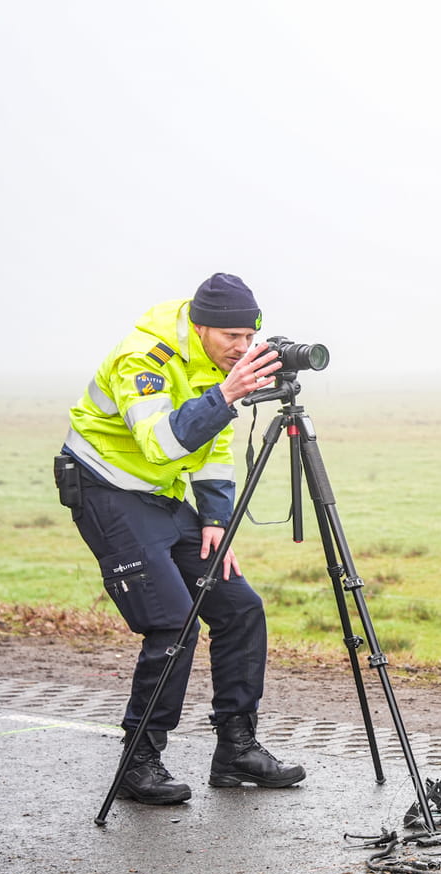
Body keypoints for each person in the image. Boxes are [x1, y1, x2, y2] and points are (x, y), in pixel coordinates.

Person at [57, 273, 305, 805]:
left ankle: (236, 750)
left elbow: (213, 445)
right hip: (107, 491)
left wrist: (215, 516)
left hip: (163, 499)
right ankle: (138, 761)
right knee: (173, 621)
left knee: (240, 606)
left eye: (249, 336)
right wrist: (226, 393)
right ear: (199, 327)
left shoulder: (214, 365)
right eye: (231, 339)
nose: (242, 349)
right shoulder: (144, 358)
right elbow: (160, 444)